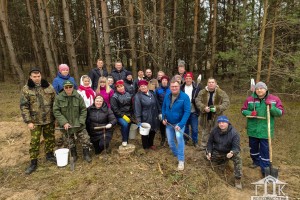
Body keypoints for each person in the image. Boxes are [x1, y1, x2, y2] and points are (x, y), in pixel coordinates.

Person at [241, 81, 284, 175]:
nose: (259, 90)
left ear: (266, 89)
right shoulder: (250, 99)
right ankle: (256, 162)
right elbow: (243, 110)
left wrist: (271, 107)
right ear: (255, 90)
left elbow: (280, 113)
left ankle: (265, 168)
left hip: (266, 130)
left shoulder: (274, 99)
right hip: (253, 130)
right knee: (253, 148)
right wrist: (250, 113)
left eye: (261, 88)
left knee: (265, 150)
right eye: (257, 88)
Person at [20, 68, 56, 174]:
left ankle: (49, 155)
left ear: (41, 76)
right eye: (34, 76)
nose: (37, 78)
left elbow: (55, 102)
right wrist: (28, 121)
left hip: (49, 119)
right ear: (30, 77)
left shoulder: (48, 86)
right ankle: (33, 162)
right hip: (35, 121)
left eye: (38, 76)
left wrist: (56, 118)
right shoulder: (26, 89)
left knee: (50, 138)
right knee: (35, 141)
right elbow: (24, 106)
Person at [53, 80, 92, 163]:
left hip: (78, 124)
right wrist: (64, 122)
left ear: (73, 87)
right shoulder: (59, 98)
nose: (68, 89)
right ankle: (74, 155)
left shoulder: (78, 96)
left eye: (70, 87)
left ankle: (86, 154)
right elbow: (56, 111)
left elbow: (83, 110)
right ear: (63, 88)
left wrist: (81, 121)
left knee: (86, 139)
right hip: (66, 125)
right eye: (66, 87)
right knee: (69, 141)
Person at [206, 115, 243, 189]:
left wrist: (232, 152)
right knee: (209, 159)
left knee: (238, 158)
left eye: (223, 122)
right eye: (219, 122)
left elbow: (236, 147)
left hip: (230, 152)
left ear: (227, 123)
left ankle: (238, 180)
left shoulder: (234, 133)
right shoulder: (214, 131)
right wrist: (209, 152)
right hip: (218, 151)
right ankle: (221, 165)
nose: (221, 124)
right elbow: (209, 142)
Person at [162, 78, 191, 170]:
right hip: (169, 123)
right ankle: (176, 153)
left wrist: (181, 124)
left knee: (179, 138)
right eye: (172, 86)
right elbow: (164, 108)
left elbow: (187, 112)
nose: (174, 88)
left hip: (179, 124)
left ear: (179, 87)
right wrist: (163, 118)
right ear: (170, 87)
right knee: (170, 141)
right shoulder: (167, 95)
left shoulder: (185, 97)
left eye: (176, 86)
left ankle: (181, 160)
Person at [195, 78, 230, 150]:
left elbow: (226, 103)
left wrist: (217, 108)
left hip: (217, 116)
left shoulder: (221, 93)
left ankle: (215, 147)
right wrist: (203, 107)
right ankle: (204, 146)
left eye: (212, 82)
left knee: (216, 131)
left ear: (216, 83)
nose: (211, 84)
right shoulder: (202, 92)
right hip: (205, 116)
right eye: (209, 82)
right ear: (207, 83)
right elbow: (197, 101)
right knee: (205, 131)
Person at [134, 80, 161, 150]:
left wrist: (160, 112)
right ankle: (145, 146)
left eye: (144, 86)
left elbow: (157, 103)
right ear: (139, 88)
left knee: (153, 130)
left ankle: (151, 144)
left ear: (147, 86)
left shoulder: (152, 93)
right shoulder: (138, 96)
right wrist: (139, 121)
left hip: (154, 115)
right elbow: (137, 109)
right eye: (141, 86)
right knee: (145, 132)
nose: (143, 87)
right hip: (145, 117)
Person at [180, 72, 201, 147]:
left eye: (190, 78)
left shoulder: (197, 87)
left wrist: (195, 100)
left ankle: (195, 141)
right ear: (184, 79)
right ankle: (185, 139)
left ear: (192, 79)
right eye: (187, 78)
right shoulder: (181, 88)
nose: (188, 80)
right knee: (185, 127)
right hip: (184, 111)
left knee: (194, 128)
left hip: (193, 110)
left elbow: (201, 96)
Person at [110, 80, 133, 146]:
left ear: (124, 86)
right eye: (118, 87)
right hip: (119, 115)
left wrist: (131, 115)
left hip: (128, 114)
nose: (120, 88)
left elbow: (131, 106)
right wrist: (123, 116)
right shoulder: (114, 97)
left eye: (121, 86)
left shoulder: (128, 94)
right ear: (116, 88)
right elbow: (115, 109)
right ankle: (124, 140)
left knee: (129, 124)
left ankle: (126, 138)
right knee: (125, 124)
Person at [155, 75, 171, 146]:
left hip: (169, 110)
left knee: (169, 124)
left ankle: (169, 138)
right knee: (162, 125)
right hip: (161, 109)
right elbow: (156, 100)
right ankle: (163, 138)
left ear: (167, 81)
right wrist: (159, 111)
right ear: (161, 81)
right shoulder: (158, 89)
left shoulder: (170, 89)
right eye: (163, 80)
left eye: (165, 80)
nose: (164, 81)